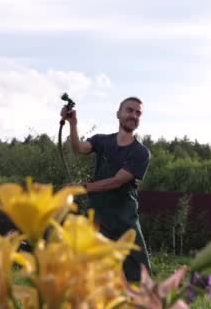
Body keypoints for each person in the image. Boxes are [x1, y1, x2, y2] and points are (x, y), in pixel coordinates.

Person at [60, 96, 151, 282]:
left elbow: (116, 182)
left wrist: (81, 187)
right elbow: (79, 148)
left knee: (140, 275)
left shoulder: (140, 153)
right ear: (118, 114)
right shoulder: (102, 141)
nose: (133, 115)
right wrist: (72, 123)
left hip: (125, 222)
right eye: (129, 110)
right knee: (93, 274)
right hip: (98, 219)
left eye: (138, 113)